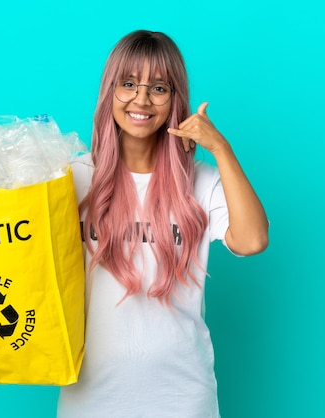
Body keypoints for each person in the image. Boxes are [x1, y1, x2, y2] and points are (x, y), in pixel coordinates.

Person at [57, 30, 269, 418]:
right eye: (128, 83)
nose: (141, 99)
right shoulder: (73, 179)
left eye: (158, 87)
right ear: (110, 92)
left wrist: (220, 148)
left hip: (182, 397)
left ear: (174, 99)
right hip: (91, 396)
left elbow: (252, 240)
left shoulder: (200, 180)